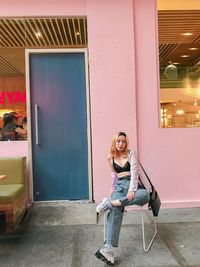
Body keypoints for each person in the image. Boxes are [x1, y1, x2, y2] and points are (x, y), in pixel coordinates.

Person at [95, 132, 151, 265]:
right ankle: (108, 250)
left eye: (123, 141)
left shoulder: (131, 153)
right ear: (114, 142)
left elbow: (135, 172)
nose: (121, 143)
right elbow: (114, 176)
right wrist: (113, 191)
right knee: (115, 210)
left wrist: (132, 190)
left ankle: (110, 203)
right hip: (119, 186)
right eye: (118, 141)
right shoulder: (111, 157)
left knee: (145, 195)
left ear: (126, 143)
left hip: (134, 184)